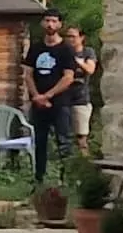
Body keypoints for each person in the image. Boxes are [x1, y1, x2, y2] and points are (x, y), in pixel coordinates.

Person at [23, 14, 92, 168]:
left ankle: (65, 181)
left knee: (64, 143)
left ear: (59, 25)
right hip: (38, 104)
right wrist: (36, 96)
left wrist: (48, 95)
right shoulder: (36, 47)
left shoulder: (66, 49)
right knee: (39, 142)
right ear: (42, 23)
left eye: (54, 21)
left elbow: (68, 77)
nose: (50, 24)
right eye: (47, 21)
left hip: (60, 103)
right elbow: (28, 74)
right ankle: (38, 180)